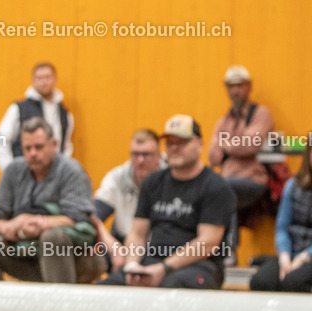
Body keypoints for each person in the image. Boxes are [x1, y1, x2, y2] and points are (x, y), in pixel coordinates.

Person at [99, 115, 236, 289]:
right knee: (104, 289)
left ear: (200, 143)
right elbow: (138, 234)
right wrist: (132, 266)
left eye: (182, 142)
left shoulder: (215, 186)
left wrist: (164, 268)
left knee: (172, 286)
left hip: (200, 266)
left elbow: (207, 243)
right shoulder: (153, 182)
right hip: (153, 262)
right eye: (170, 143)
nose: (174, 148)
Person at [0, 118, 102, 284]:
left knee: (52, 238)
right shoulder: (12, 171)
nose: (33, 153)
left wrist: (34, 222)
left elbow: (77, 219)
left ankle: (60, 306)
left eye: (39, 147)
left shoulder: (71, 171)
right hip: (27, 254)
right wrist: (14, 229)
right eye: (27, 148)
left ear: (54, 144)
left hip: (74, 258)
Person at [207, 65, 275, 255]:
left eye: (240, 85)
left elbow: (250, 144)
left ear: (249, 87)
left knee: (222, 189)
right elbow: (212, 156)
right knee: (212, 188)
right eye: (231, 86)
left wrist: (225, 146)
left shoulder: (261, 113)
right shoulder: (224, 120)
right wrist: (233, 145)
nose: (235, 91)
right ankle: (212, 251)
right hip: (226, 181)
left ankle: (228, 251)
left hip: (253, 181)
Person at [92, 129, 165, 268]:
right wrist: (113, 246)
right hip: (123, 242)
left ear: (159, 156)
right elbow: (92, 215)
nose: (140, 160)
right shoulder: (117, 178)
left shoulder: (172, 177)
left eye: (146, 154)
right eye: (135, 154)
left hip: (160, 248)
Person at [250, 141, 312, 292]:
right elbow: (282, 227)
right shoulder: (293, 185)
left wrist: (304, 257)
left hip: (306, 257)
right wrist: (284, 256)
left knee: (293, 282)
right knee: (261, 281)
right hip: (291, 253)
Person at [0, 63, 74, 172]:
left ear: (55, 79)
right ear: (33, 81)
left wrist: (62, 173)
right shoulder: (18, 109)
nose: (44, 82)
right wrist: (10, 172)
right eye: (39, 78)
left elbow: (65, 147)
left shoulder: (65, 115)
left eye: (48, 77)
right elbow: (0, 140)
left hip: (53, 179)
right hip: (25, 176)